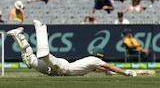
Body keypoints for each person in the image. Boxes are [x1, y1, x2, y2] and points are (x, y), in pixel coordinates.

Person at [7, 19, 137, 77]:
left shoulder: (91, 63)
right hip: (64, 67)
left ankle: (18, 36)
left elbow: (97, 69)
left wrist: (105, 72)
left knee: (31, 62)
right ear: (100, 57)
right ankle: (40, 28)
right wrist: (126, 72)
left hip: (56, 72)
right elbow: (110, 66)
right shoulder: (95, 60)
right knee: (45, 55)